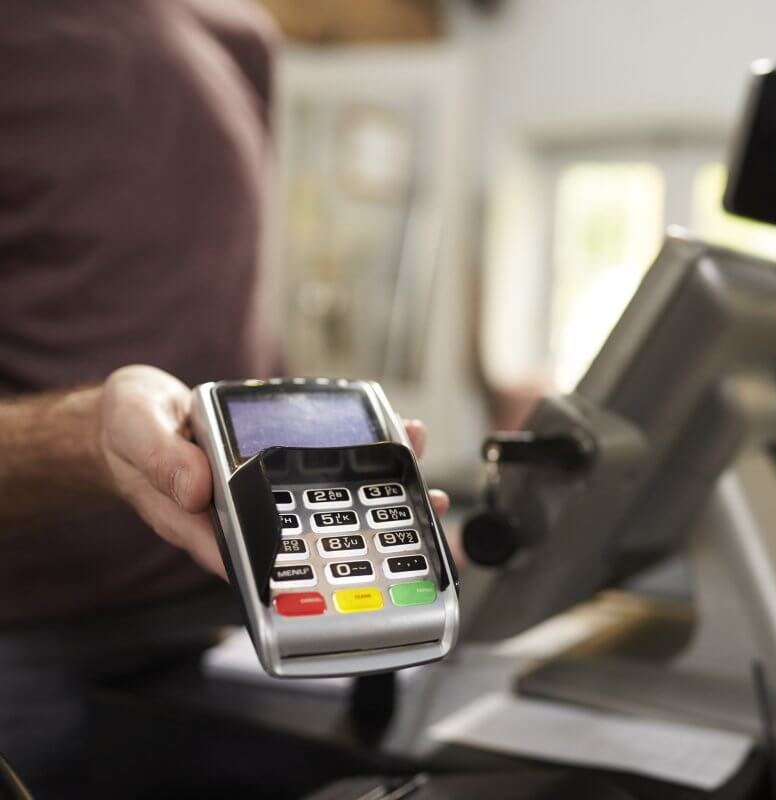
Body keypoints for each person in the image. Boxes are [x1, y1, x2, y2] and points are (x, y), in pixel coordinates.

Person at [0, 2, 447, 794]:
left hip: (217, 612)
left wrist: (299, 429)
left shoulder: (239, 36)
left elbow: (225, 307)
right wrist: (86, 437)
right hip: (26, 636)